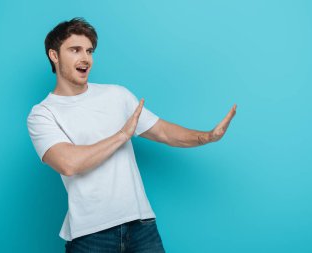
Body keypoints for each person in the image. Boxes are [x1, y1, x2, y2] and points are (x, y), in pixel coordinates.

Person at [27, 17, 237, 253]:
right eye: (75, 50)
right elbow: (69, 163)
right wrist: (122, 135)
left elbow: (164, 132)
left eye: (89, 51)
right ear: (54, 55)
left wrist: (206, 137)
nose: (85, 58)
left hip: (141, 226)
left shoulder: (117, 95)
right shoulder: (43, 114)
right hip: (91, 235)